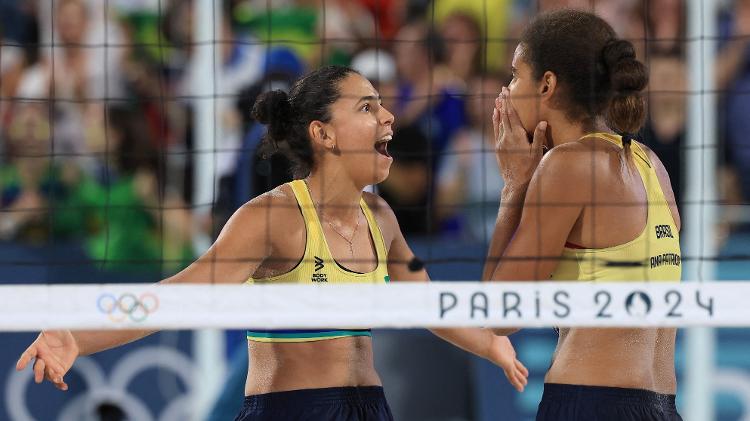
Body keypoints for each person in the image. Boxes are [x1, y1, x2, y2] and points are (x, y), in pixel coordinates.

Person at [16, 65, 528, 421]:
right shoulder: (273, 217)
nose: (389, 117)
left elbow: (428, 303)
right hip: (291, 410)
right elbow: (179, 295)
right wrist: (79, 337)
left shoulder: (382, 216)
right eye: (368, 107)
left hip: (370, 408)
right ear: (324, 135)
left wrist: (491, 343)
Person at [482, 9, 682, 421]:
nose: (505, 89)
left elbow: (498, 314)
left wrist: (513, 188)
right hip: (660, 407)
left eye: (515, 75)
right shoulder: (649, 162)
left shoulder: (567, 165)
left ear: (547, 85)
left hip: (590, 404)